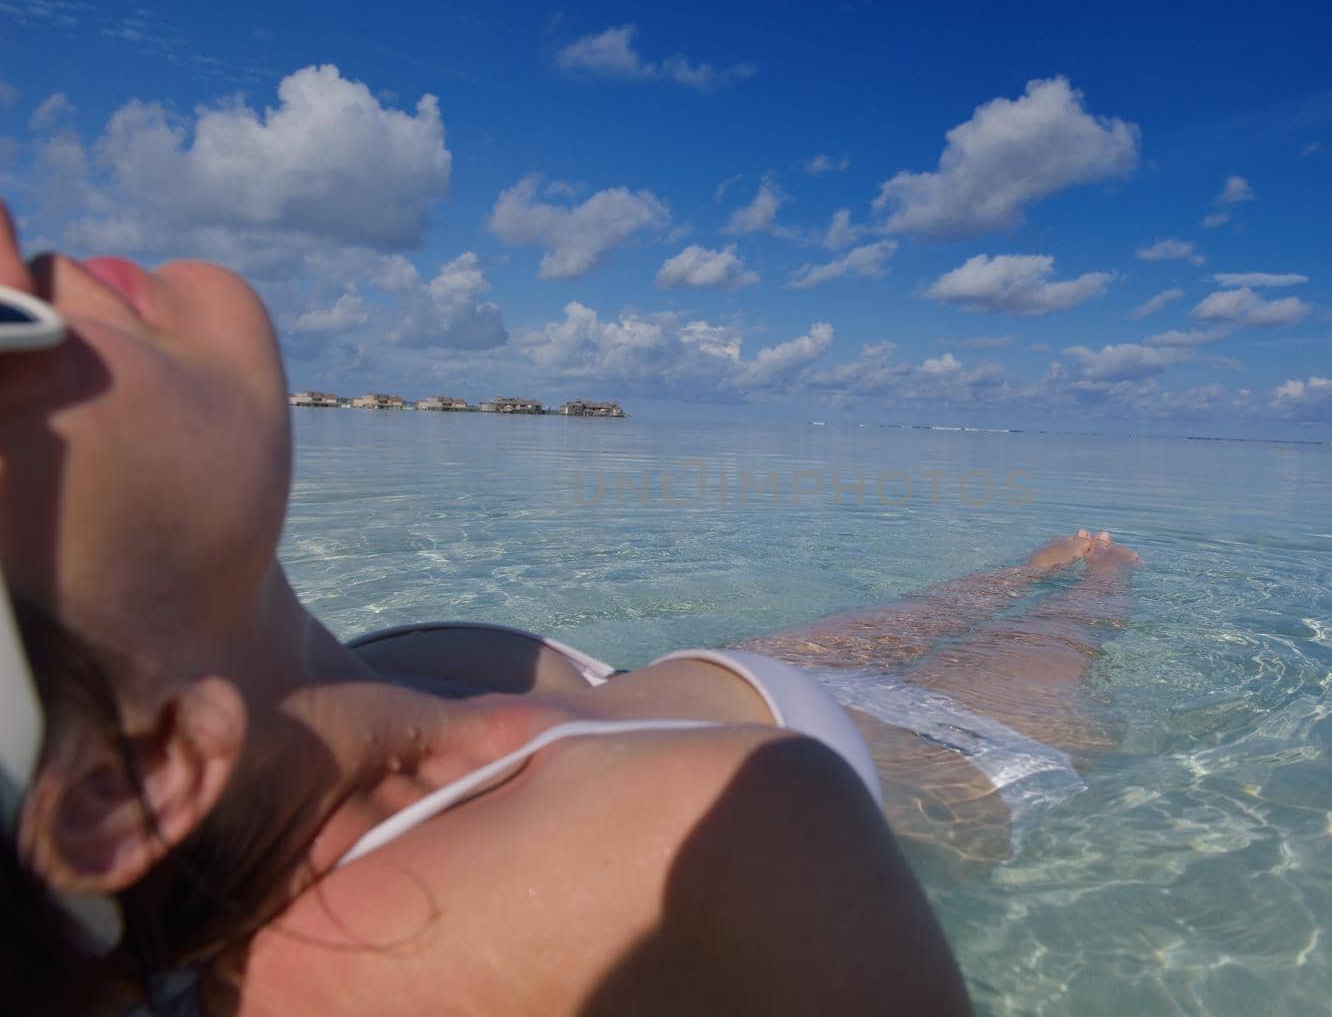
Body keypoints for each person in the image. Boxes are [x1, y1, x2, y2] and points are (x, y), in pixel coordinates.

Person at [0, 195, 1132, 1016]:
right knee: (1071, 616)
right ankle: (1086, 572)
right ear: (121, 778)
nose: (7, 230)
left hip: (669, 695)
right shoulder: (722, 858)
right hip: (932, 763)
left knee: (955, 599)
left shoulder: (330, 704)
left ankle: (1037, 564)